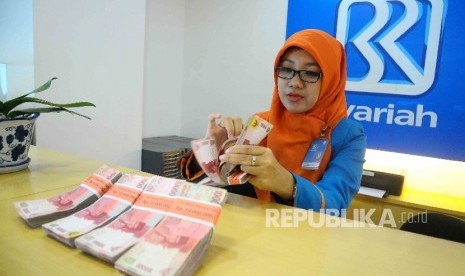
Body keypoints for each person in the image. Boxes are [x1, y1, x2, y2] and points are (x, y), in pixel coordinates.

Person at [178, 29, 366, 212]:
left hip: (307, 238)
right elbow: (220, 182)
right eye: (286, 69)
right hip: (252, 232)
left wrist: (285, 182)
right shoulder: (261, 122)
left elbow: (336, 204)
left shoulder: (348, 134)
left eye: (310, 73)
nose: (294, 82)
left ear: (332, 79)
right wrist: (213, 153)